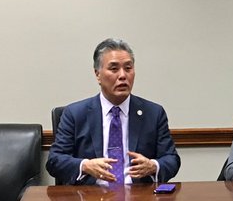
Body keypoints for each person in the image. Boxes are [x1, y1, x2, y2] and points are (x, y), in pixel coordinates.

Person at [47, 38, 180, 186]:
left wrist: (153, 166)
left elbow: (172, 159)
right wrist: (85, 166)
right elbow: (55, 160)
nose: (122, 75)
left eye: (128, 68)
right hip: (90, 199)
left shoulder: (154, 113)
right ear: (98, 74)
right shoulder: (75, 114)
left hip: (139, 198)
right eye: (114, 69)